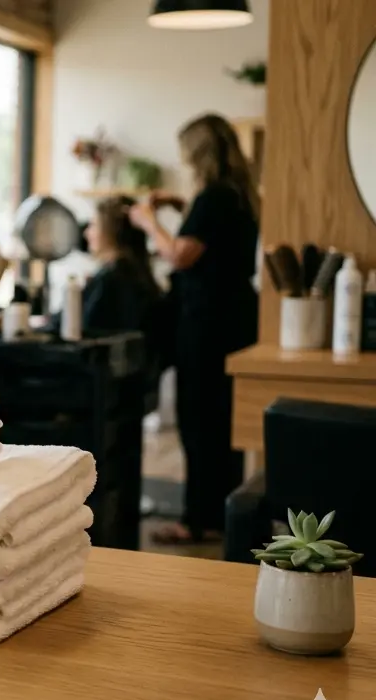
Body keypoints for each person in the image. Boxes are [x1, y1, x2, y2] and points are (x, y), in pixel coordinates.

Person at [128, 114, 260, 544]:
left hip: (207, 322)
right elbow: (213, 240)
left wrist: (149, 220)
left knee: (199, 418)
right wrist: (181, 208)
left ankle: (197, 520)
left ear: (196, 152)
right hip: (235, 318)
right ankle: (221, 514)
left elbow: (180, 255)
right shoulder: (238, 195)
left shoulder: (215, 197)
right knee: (221, 418)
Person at [76, 196, 164, 336]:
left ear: (109, 232)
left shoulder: (111, 280)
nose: (87, 233)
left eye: (93, 225)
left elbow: (82, 329)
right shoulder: (140, 277)